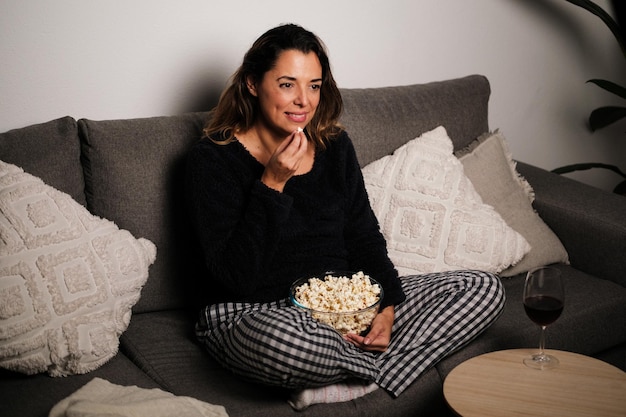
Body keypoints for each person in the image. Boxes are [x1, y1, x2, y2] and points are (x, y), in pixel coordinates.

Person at [185, 23, 505, 409]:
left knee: (483, 288)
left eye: (314, 85)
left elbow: (364, 237)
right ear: (253, 84)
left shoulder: (334, 146)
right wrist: (272, 183)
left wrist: (385, 309)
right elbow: (235, 278)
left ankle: (341, 371)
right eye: (287, 84)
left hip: (342, 308)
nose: (303, 100)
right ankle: (362, 366)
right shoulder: (211, 160)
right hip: (254, 313)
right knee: (286, 344)